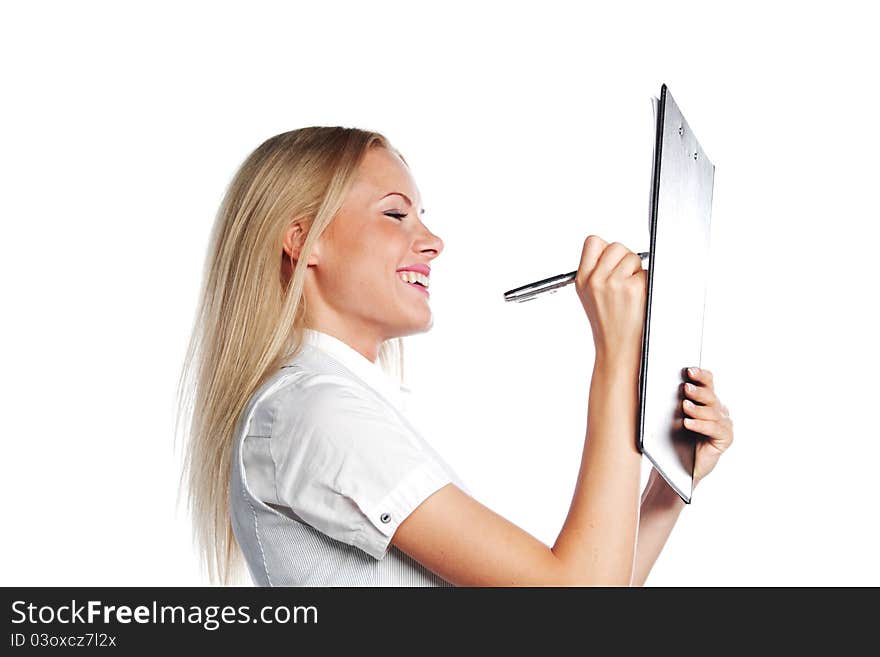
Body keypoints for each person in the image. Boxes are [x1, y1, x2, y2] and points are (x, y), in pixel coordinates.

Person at [176, 126, 735, 587]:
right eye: (396, 215)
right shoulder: (313, 411)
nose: (432, 242)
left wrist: (667, 489)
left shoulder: (332, 408)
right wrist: (618, 357)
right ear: (303, 240)